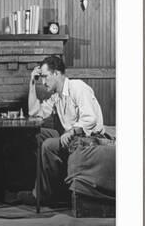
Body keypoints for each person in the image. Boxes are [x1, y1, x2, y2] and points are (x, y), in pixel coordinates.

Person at [25, 55, 104, 204]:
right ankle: (42, 190)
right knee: (37, 135)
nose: (43, 82)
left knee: (48, 145)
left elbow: (90, 118)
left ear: (56, 73)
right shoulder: (57, 96)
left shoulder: (77, 87)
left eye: (45, 77)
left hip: (88, 138)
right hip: (71, 136)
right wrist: (32, 83)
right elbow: (34, 112)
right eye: (41, 78)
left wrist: (72, 131)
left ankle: (48, 196)